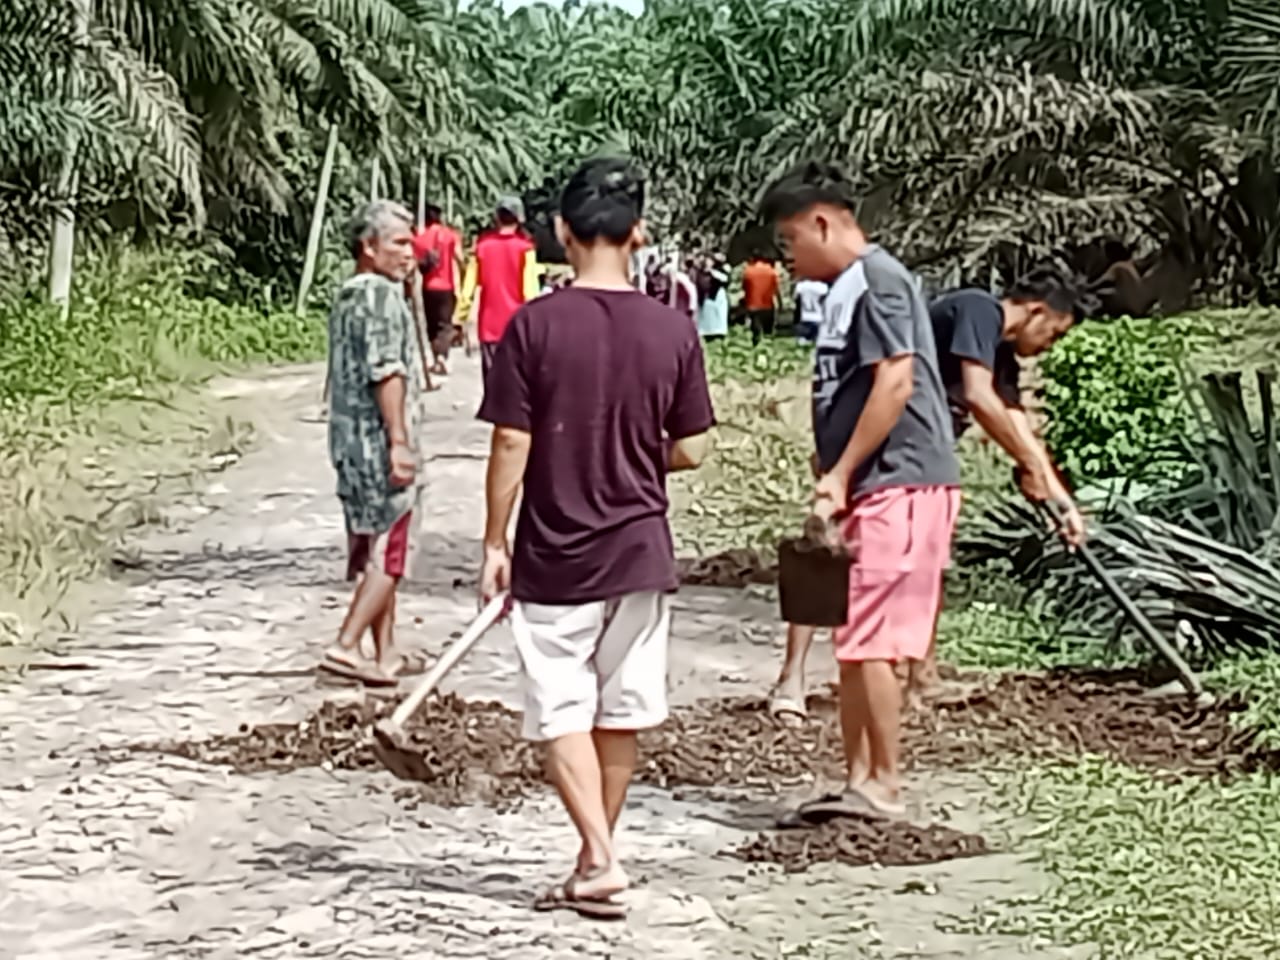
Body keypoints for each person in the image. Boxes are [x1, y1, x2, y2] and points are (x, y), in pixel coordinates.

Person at [477, 157, 715, 918]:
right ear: (639, 233)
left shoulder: (535, 327)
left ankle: (602, 859)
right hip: (641, 551)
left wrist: (494, 540)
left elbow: (512, 442)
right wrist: (633, 448)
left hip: (558, 552)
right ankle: (593, 857)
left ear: (560, 233)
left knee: (561, 710)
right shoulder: (673, 329)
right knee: (619, 711)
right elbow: (693, 447)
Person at [770, 266, 1095, 716]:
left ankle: (921, 676)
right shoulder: (978, 310)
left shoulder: (999, 354)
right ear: (1037, 311)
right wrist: (1025, 463)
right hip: (875, 446)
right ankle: (792, 679)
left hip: (918, 466)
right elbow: (981, 399)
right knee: (830, 556)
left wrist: (1057, 495)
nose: (1047, 348)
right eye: (1053, 335)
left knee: (924, 564)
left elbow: (1017, 422)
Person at [760, 162, 959, 822]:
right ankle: (858, 778)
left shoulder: (881, 281)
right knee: (853, 640)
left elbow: (895, 383)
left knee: (872, 641)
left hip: (899, 481)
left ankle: (886, 783)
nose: (788, 256)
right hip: (866, 487)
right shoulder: (844, 288)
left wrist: (841, 474)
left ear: (824, 222)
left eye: (791, 240)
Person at [319, 201, 422, 687]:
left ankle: (386, 653)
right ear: (368, 247)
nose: (410, 253)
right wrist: (399, 440)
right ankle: (345, 645)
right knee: (393, 548)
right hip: (377, 440)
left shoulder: (349, 295)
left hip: (349, 441)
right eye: (399, 243)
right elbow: (388, 371)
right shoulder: (381, 296)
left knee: (374, 543)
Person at [456, 196, 539, 387]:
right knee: (516, 383)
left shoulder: (482, 248)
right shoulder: (525, 249)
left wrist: (459, 319)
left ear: (497, 217)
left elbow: (468, 290)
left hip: (489, 326)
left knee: (493, 383)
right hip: (518, 327)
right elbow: (530, 291)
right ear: (519, 219)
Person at [411, 204, 463, 376]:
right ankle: (443, 357)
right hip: (447, 286)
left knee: (432, 326)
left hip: (428, 287)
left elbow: (416, 263)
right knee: (445, 324)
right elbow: (459, 258)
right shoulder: (450, 235)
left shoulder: (420, 238)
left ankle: (436, 359)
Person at [742, 252, 780, 342]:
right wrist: (780, 303)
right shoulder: (771, 270)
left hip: (753, 305)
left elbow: (745, 287)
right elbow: (775, 288)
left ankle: (756, 348)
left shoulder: (748, 271)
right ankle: (767, 349)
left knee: (756, 332)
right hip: (768, 304)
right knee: (768, 332)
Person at [695, 253, 730, 341]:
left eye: (710, 261)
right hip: (706, 299)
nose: (708, 262)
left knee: (718, 316)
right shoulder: (700, 273)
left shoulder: (719, 271)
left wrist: (713, 273)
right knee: (707, 318)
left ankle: (719, 334)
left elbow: (725, 280)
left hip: (717, 298)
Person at [793, 277, 828, 343]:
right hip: (818, 318)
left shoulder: (800, 286)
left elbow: (796, 301)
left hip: (804, 317)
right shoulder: (823, 287)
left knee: (802, 346)